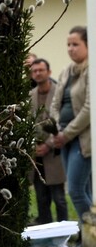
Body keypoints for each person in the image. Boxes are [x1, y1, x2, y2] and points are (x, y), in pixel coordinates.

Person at [49, 26, 90, 224]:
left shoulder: (91, 71)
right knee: (85, 190)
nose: (70, 49)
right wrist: (57, 130)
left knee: (75, 191)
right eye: (68, 45)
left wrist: (67, 133)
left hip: (82, 139)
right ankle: (85, 236)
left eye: (75, 44)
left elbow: (90, 108)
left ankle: (91, 234)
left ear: (88, 45)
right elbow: (55, 104)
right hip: (63, 138)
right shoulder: (66, 71)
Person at [29, 57, 68, 224]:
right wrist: (33, 145)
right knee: (41, 198)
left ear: (49, 72)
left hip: (55, 152)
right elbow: (27, 123)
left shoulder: (60, 92)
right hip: (36, 155)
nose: (38, 73)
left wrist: (48, 144)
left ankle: (64, 231)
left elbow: (64, 122)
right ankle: (46, 231)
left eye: (41, 70)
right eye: (34, 71)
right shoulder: (30, 96)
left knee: (59, 198)